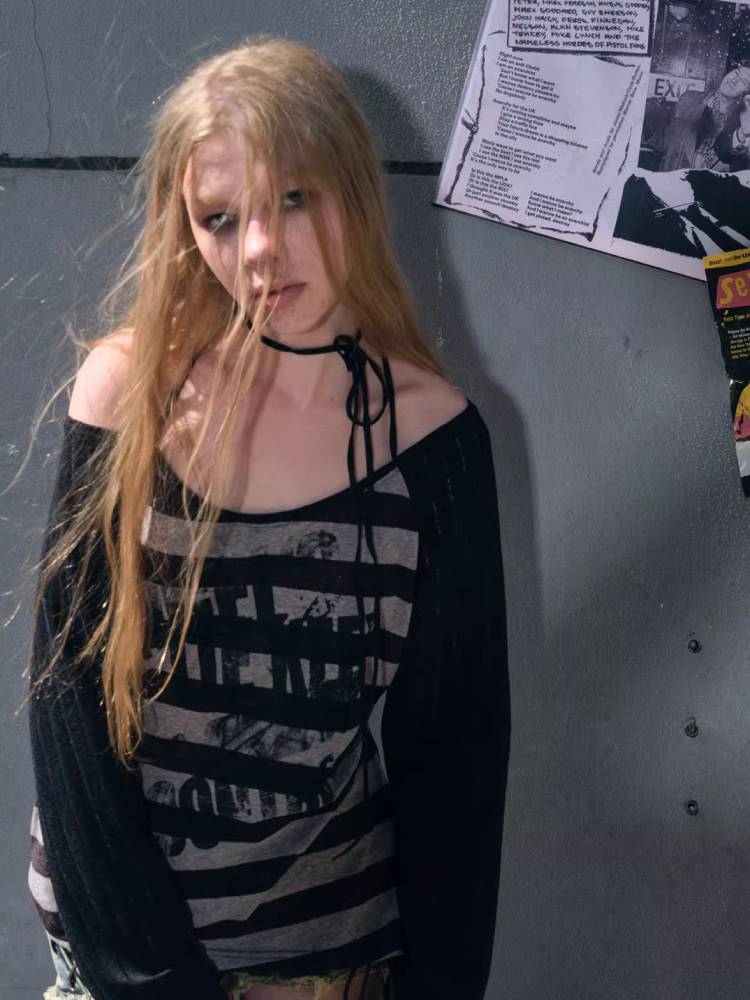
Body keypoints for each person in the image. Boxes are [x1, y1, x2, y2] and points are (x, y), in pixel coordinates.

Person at [24, 35, 511, 1000]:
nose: (256, 250)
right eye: (220, 216)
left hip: (325, 966)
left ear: (353, 191)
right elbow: (68, 706)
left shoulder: (434, 444)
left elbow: (455, 762)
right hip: (115, 969)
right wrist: (156, 982)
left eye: (293, 198)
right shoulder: (129, 397)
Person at [646, 65, 750, 172]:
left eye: (743, 81)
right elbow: (665, 139)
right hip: (674, 177)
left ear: (747, 94)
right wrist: (650, 117)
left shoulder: (744, 124)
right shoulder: (690, 99)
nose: (734, 80)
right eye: (736, 73)